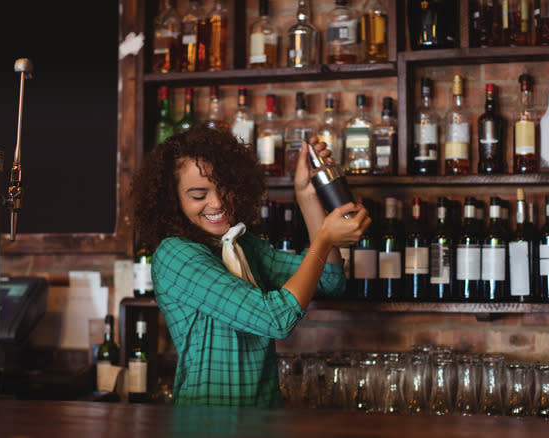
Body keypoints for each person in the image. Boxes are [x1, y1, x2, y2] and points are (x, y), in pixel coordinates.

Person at [132, 125, 370, 408]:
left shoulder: (241, 245)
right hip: (206, 423)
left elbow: (330, 279)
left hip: (264, 420)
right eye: (199, 195)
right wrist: (324, 239)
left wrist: (306, 196)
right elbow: (276, 320)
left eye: (224, 188)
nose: (217, 202)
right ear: (173, 200)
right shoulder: (176, 256)